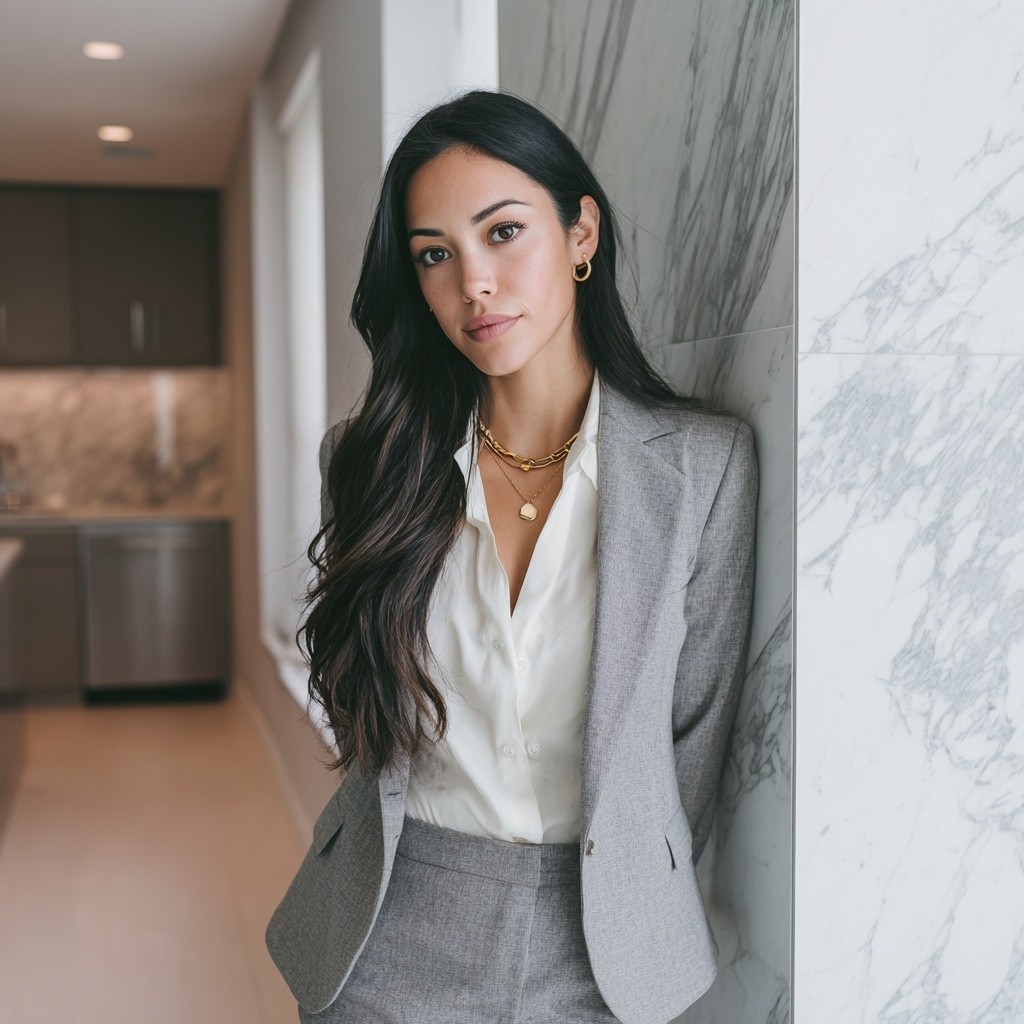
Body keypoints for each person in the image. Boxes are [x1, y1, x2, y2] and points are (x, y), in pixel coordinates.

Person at [265, 89, 759, 1024]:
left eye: (503, 233)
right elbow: (365, 712)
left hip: (604, 953)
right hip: (390, 930)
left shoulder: (703, 469)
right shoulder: (371, 463)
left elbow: (689, 745)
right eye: (435, 256)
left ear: (582, 235)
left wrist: (622, 896)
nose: (473, 285)